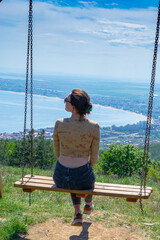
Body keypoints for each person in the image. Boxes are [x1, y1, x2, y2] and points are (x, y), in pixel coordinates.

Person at [53, 89, 100, 226]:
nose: (64, 102)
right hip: (82, 178)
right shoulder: (94, 127)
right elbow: (94, 159)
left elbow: (57, 153)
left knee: (73, 178)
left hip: (60, 176)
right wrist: (83, 167)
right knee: (86, 178)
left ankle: (77, 213)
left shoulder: (59, 123)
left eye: (66, 100)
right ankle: (88, 203)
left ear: (73, 106)